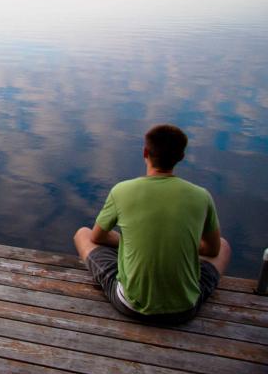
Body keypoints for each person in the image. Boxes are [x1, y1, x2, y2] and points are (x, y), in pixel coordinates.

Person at [73, 124, 231, 324]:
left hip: (130, 305)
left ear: (145, 152)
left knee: (83, 234)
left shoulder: (122, 190)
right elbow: (212, 249)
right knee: (223, 246)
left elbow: (97, 237)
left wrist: (128, 241)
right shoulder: (202, 196)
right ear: (181, 157)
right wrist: (182, 244)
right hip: (185, 308)